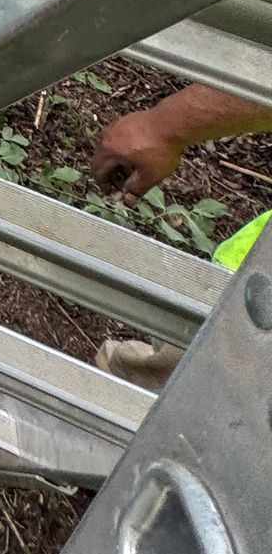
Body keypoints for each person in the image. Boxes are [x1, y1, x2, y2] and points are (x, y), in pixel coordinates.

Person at [85, 84, 271, 384]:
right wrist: (164, 128)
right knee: (194, 369)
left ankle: (113, 391)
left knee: (202, 379)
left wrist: (163, 127)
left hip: (249, 310)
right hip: (248, 302)